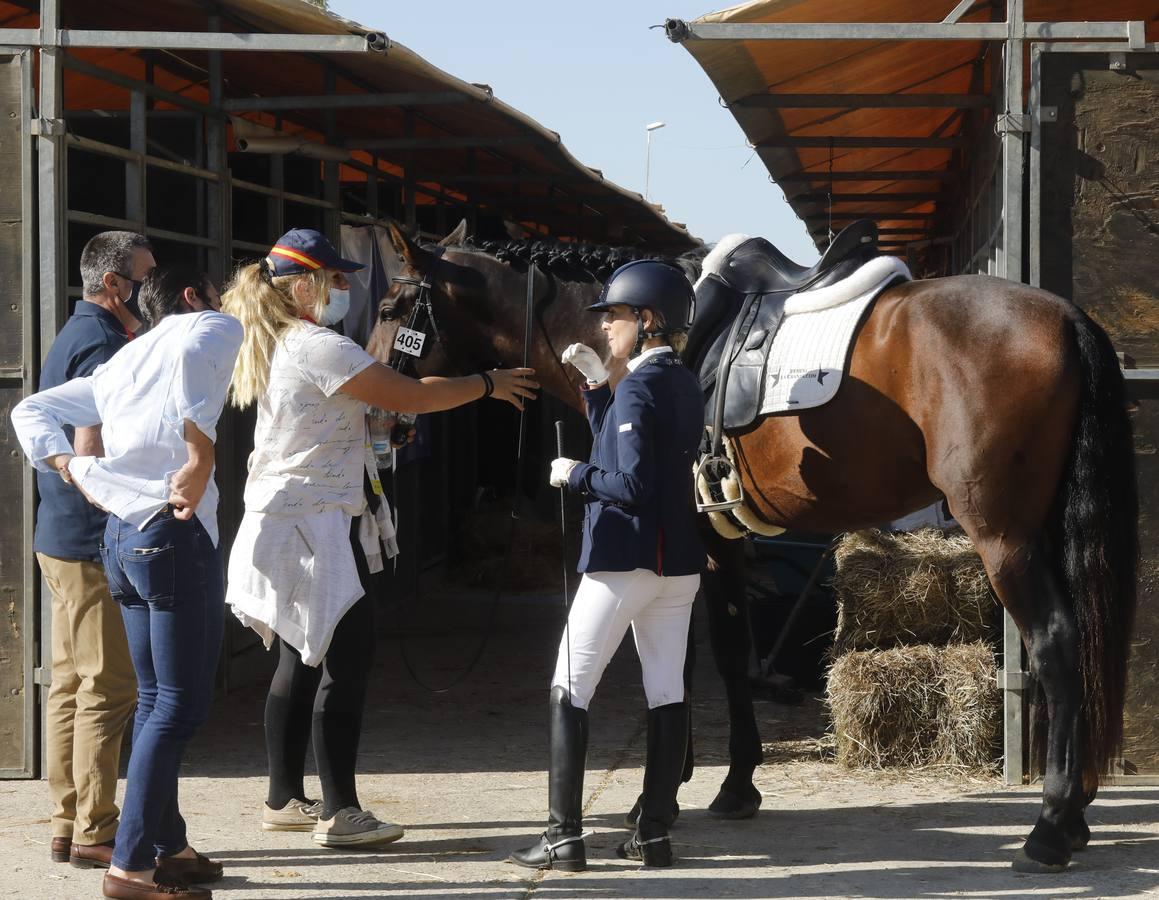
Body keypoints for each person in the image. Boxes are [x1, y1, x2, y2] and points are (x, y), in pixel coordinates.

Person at [221, 228, 538, 849]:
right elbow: (413, 394)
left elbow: (352, 413)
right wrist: (488, 384)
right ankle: (342, 813)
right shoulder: (318, 345)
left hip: (286, 518)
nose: (343, 289)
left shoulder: (279, 341)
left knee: (297, 657)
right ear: (304, 284)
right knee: (348, 658)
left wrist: (376, 430)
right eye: (335, 279)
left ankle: (284, 798)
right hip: (313, 525)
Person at [12, 266, 242, 900]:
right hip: (170, 535)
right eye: (216, 299)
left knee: (153, 700)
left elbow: (28, 408)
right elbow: (204, 352)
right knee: (176, 707)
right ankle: (131, 869)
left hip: (123, 538)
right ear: (194, 297)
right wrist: (200, 453)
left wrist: (68, 464)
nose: (226, 313)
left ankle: (172, 849)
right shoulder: (206, 327)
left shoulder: (128, 358)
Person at [509, 259, 706, 871]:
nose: (607, 328)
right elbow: (623, 441)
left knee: (569, 686)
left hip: (625, 559)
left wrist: (575, 476)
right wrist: (597, 391)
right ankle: (653, 831)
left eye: (616, 317)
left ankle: (563, 835)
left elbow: (630, 481)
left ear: (648, 321)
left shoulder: (642, 387)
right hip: (679, 564)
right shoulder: (681, 382)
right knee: (667, 692)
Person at [34, 231, 153, 871]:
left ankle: (66, 821)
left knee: (70, 684)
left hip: (57, 538)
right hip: (86, 542)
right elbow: (89, 451)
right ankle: (94, 829)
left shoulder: (72, 334)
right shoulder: (103, 345)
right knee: (106, 687)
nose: (150, 291)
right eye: (143, 278)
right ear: (113, 285)